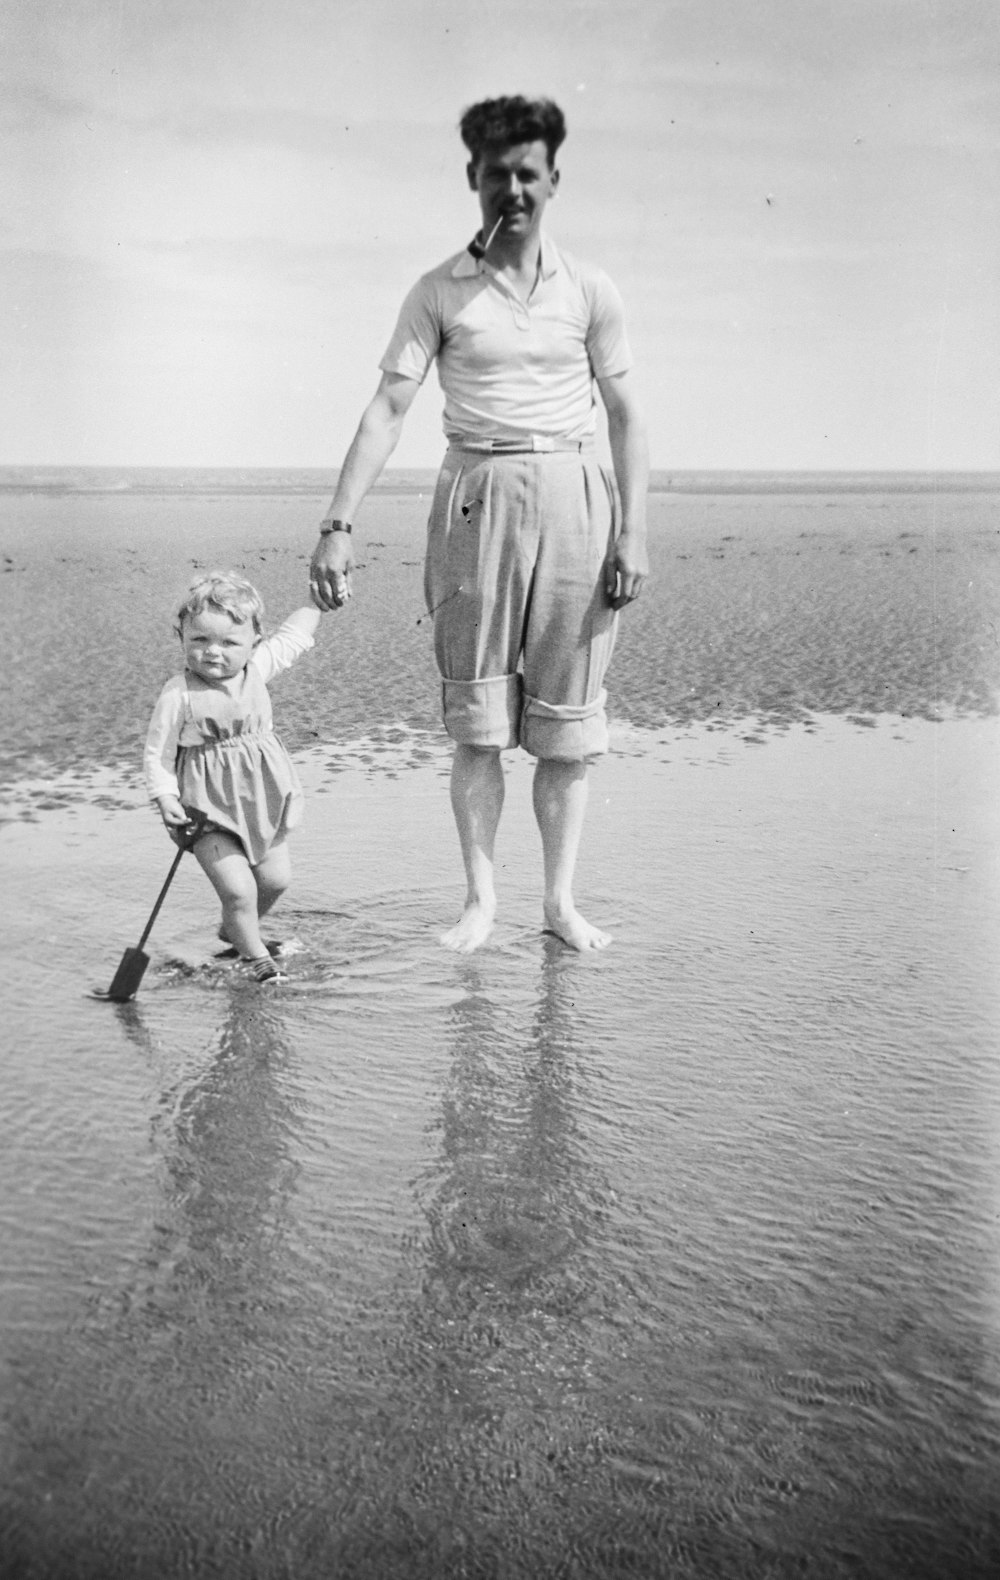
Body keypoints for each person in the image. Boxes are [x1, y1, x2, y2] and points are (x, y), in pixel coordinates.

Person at [310, 94, 648, 953]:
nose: (513, 190)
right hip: (475, 494)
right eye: (496, 174)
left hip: (576, 492)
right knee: (478, 724)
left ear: (553, 179)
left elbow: (626, 416)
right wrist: (338, 523)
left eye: (528, 174)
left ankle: (559, 904)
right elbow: (389, 407)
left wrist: (633, 531)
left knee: (568, 728)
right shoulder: (437, 291)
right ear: (474, 178)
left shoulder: (593, 290)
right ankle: (479, 903)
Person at [144, 571, 325, 981]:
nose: (213, 653)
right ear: (182, 638)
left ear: (253, 644)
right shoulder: (179, 692)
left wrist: (315, 604)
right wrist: (165, 799)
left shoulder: (256, 670)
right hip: (206, 811)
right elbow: (158, 753)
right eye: (200, 640)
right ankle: (257, 957)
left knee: (276, 880)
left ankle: (234, 930)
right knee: (238, 890)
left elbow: (292, 640)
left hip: (263, 799)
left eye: (228, 643)